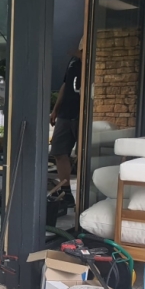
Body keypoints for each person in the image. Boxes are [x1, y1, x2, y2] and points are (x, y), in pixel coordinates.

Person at [49, 36, 84, 208]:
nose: (81, 42)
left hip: (82, 114)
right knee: (59, 151)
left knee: (83, 154)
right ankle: (66, 191)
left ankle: (85, 197)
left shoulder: (92, 59)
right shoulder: (73, 61)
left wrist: (82, 56)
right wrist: (56, 109)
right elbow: (65, 84)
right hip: (65, 113)